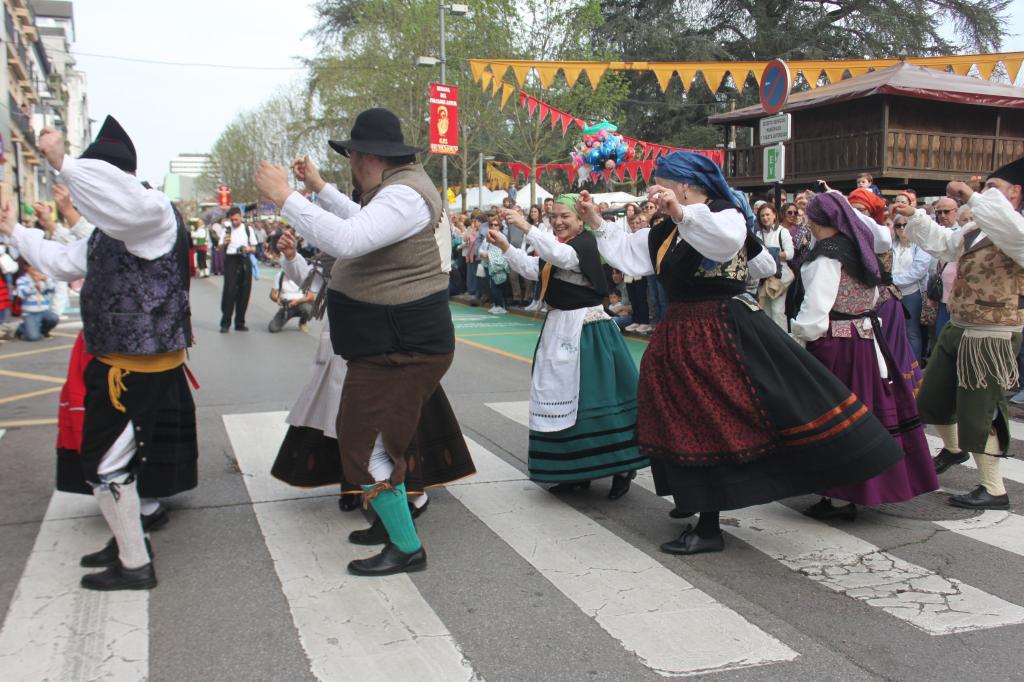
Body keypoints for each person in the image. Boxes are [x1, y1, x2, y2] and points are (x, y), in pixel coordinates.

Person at [587, 151, 904, 555]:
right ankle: (692, 498)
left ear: (683, 184)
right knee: (676, 414)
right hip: (680, 329)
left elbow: (731, 247)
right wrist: (595, 220)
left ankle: (709, 525)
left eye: (661, 183)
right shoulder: (665, 229)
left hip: (715, 330)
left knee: (710, 419)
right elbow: (632, 255)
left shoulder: (724, 214)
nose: (654, 190)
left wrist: (683, 216)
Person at [255, 107, 476, 576]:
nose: (351, 166)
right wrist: (319, 189)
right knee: (367, 438)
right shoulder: (398, 190)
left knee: (368, 443)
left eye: (351, 157)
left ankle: (406, 545)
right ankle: (391, 526)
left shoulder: (405, 194)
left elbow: (350, 238)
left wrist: (285, 197)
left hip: (401, 346)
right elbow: (360, 219)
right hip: (390, 345)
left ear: (365, 157)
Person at [2, 117, 198, 590]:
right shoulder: (112, 229)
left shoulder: (151, 210)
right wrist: (14, 230)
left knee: (107, 466)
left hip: (138, 368)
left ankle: (135, 564)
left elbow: (121, 203)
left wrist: (64, 163)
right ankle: (128, 541)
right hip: (118, 364)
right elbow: (62, 262)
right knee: (113, 463)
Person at [487, 195, 647, 498]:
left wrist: (526, 227)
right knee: (560, 397)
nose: (558, 221)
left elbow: (562, 257)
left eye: (565, 216)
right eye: (554, 217)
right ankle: (574, 470)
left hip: (587, 330)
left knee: (594, 400)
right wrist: (506, 247)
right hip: (559, 326)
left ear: (580, 219)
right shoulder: (560, 245)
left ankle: (621, 467)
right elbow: (536, 269)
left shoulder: (584, 244)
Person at [792, 192, 938, 520]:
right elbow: (873, 295)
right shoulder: (859, 248)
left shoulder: (824, 257)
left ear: (816, 220)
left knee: (835, 419)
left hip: (836, 346)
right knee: (866, 413)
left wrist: (798, 337)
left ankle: (840, 498)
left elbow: (816, 312)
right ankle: (852, 491)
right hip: (866, 343)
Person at [901, 158, 1024, 510]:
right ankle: (954, 450)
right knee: (932, 399)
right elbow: (944, 244)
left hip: (993, 331)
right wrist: (915, 217)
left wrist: (971, 197)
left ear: (1016, 193)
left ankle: (994, 489)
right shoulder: (977, 228)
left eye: (994, 189)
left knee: (981, 410)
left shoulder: (1017, 228)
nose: (986, 194)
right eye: (985, 189)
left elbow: (1010, 230)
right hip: (960, 322)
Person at [754, 203, 794, 330]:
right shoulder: (758, 234)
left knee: (777, 311)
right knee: (765, 310)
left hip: (779, 276)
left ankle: (782, 339)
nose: (765, 218)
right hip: (764, 277)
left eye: (767, 214)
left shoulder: (782, 232)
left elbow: (790, 254)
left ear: (775, 215)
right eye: (762, 216)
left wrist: (772, 253)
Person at [219, 207, 257, 333]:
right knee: (229, 291)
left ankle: (240, 322)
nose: (234, 222)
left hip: (244, 258)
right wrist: (224, 243)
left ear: (240, 216)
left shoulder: (248, 229)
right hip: (231, 260)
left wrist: (248, 249)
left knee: (244, 291)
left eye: (236, 219)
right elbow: (219, 249)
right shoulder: (226, 230)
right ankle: (225, 323)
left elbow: (254, 248)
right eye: (232, 220)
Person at [14, 265, 59, 341]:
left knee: (54, 318)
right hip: (30, 312)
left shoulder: (42, 277)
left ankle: (43, 331)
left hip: (43, 309)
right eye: (32, 266)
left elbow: (53, 290)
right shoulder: (22, 280)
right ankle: (22, 328)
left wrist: (46, 280)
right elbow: (22, 294)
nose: (35, 268)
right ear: (27, 268)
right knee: (33, 337)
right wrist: (34, 284)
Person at [268, 262, 314, 332]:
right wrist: (277, 299)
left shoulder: (304, 277)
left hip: (301, 304)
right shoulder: (279, 275)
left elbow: (311, 297)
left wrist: (297, 301)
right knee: (272, 328)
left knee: (308, 308)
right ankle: (287, 316)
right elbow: (272, 294)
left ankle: (302, 322)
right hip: (287, 306)